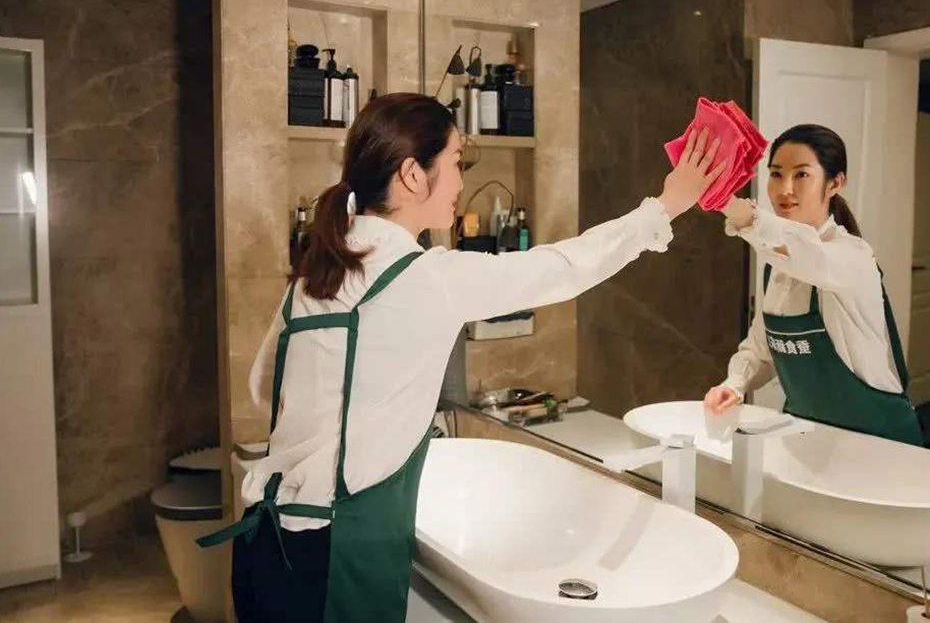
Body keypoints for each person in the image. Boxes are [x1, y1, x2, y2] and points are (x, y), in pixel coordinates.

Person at [200, 93, 725, 623]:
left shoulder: (314, 276)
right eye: (455, 161)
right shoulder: (427, 280)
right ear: (412, 175)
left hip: (266, 547)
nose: (460, 181)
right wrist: (665, 206)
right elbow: (562, 267)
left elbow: (265, 388)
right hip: (336, 562)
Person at [704, 124, 924, 446]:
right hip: (810, 441)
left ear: (835, 183)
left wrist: (730, 205)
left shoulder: (853, 257)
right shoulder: (776, 267)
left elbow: (808, 257)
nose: (785, 189)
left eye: (802, 175)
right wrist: (734, 385)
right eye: (776, 174)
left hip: (880, 445)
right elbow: (762, 352)